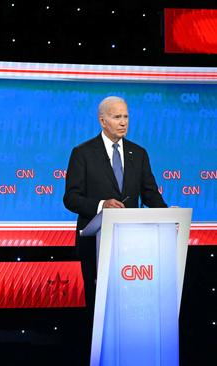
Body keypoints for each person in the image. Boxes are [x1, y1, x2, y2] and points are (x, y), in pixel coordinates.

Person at [63, 96, 167, 363]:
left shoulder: (139, 153)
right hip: (94, 242)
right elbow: (71, 198)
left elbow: (150, 194)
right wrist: (101, 205)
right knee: (98, 306)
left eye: (126, 117)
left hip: (133, 247)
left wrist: (168, 215)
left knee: (129, 309)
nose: (123, 122)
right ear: (103, 120)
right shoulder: (83, 152)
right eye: (117, 117)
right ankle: (97, 356)